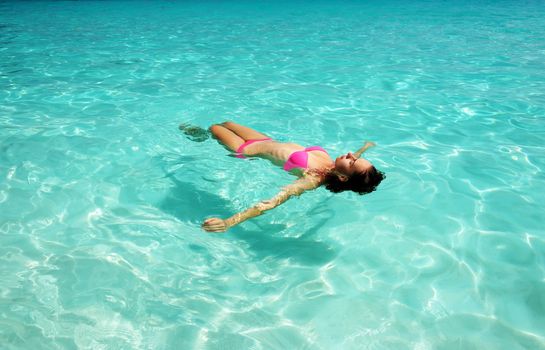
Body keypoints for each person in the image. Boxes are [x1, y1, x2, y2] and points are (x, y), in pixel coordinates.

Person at [198, 121, 385, 232]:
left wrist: (228, 223)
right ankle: (204, 133)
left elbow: (270, 203)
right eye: (357, 157)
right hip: (265, 140)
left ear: (343, 178)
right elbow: (356, 158)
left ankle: (198, 135)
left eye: (352, 161)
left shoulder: (313, 178)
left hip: (245, 149)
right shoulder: (335, 165)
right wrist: (366, 146)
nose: (352, 154)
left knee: (214, 127)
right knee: (228, 123)